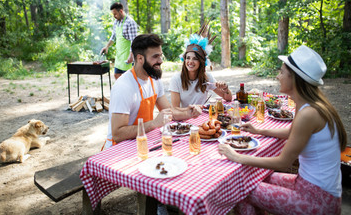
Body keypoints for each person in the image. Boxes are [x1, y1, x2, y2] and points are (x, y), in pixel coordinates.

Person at [218, 45, 347, 215]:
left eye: (281, 72)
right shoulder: (310, 104)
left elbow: (282, 163)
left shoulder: (308, 113)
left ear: (294, 78)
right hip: (312, 187)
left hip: (318, 200)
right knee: (255, 176)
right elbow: (292, 133)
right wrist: (259, 131)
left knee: (241, 189)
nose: (278, 76)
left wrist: (235, 156)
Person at [104, 34, 202, 149]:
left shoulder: (154, 79)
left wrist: (188, 112)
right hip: (119, 148)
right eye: (155, 57)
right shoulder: (123, 87)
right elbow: (117, 134)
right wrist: (153, 124)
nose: (160, 61)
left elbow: (168, 112)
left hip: (142, 141)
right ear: (140, 58)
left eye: (160, 56)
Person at [169, 25, 232, 108]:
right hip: (185, 117)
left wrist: (225, 89)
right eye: (188, 58)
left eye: (195, 59)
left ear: (201, 62)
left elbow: (228, 98)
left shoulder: (207, 78)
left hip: (203, 117)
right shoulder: (176, 79)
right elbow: (175, 109)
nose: (190, 62)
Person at [101, 2, 138, 80]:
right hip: (119, 57)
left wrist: (131, 55)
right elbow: (113, 37)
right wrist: (107, 46)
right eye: (113, 14)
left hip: (127, 57)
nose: (114, 16)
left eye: (115, 14)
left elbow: (134, 41)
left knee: (129, 79)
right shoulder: (116, 22)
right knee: (117, 75)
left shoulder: (130, 22)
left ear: (121, 11)